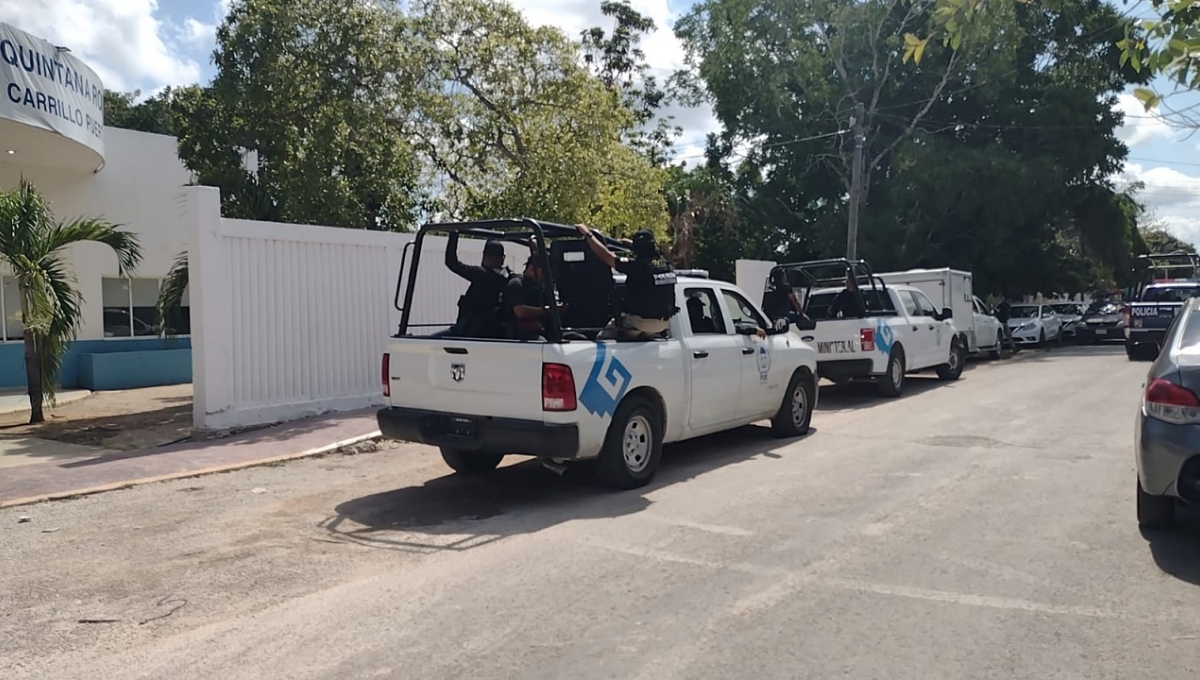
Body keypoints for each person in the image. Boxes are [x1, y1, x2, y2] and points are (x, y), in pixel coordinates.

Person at [575, 223, 677, 339]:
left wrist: (588, 234)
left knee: (603, 338)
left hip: (638, 321)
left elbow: (607, 256)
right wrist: (631, 245)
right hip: (662, 324)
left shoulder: (637, 266)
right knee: (638, 339)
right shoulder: (665, 264)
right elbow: (647, 258)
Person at [431, 233, 510, 338]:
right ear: (503, 258)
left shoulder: (481, 274)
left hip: (469, 330)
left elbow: (452, 262)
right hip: (490, 331)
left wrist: (454, 234)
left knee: (430, 343)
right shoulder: (507, 277)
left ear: (485, 256)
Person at [503, 253, 566, 341]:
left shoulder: (539, 288)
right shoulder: (516, 284)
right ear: (531, 269)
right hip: (522, 335)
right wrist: (550, 310)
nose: (545, 277)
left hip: (543, 331)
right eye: (543, 273)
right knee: (542, 343)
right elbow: (520, 311)